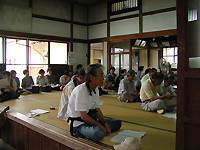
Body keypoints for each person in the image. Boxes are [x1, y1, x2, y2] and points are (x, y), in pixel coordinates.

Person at [67, 63, 121, 141]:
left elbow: (97, 109)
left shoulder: (95, 89)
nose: (103, 78)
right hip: (79, 124)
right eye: (101, 75)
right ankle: (95, 130)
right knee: (98, 133)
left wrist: (105, 123)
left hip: (90, 120)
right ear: (92, 78)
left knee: (117, 123)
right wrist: (101, 126)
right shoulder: (81, 91)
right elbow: (84, 116)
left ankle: (100, 129)